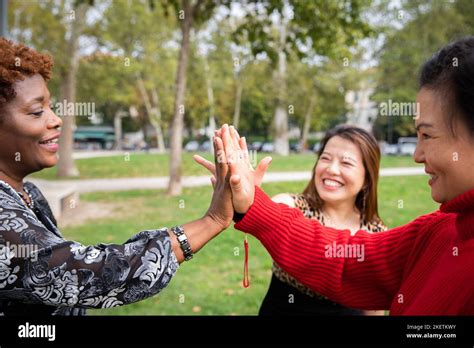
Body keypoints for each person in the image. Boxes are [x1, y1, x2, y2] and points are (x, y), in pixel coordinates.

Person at [214, 36, 474, 315]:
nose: (416, 154)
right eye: (325, 157)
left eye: (427, 135)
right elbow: (345, 263)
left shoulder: (379, 227)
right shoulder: (440, 231)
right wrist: (252, 204)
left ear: (367, 177)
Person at [0, 38, 236, 316]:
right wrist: (213, 221)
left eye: (51, 106)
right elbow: (86, 273)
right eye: (38, 111)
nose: (55, 119)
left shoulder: (29, 193)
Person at [195, 125, 387, 316]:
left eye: (346, 163)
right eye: (325, 158)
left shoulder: (377, 233)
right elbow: (268, 212)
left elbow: (374, 309)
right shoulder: (294, 207)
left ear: (368, 177)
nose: (331, 169)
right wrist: (246, 196)